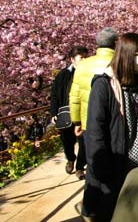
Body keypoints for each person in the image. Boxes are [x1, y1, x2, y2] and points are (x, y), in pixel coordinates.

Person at [77, 32, 138, 222]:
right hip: (112, 162)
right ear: (125, 55)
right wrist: (101, 168)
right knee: (111, 211)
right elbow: (95, 132)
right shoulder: (104, 85)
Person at [69, 27, 118, 142]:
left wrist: (77, 121)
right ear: (115, 43)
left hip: (89, 121)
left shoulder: (83, 64)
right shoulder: (120, 63)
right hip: (115, 122)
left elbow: (75, 97)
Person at [49, 45, 89, 178]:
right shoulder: (63, 75)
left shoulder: (88, 73)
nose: (84, 60)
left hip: (83, 111)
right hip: (66, 113)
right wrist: (54, 112)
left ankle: (80, 167)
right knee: (67, 140)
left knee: (83, 140)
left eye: (85, 57)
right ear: (72, 59)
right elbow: (54, 94)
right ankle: (70, 158)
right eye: (81, 58)